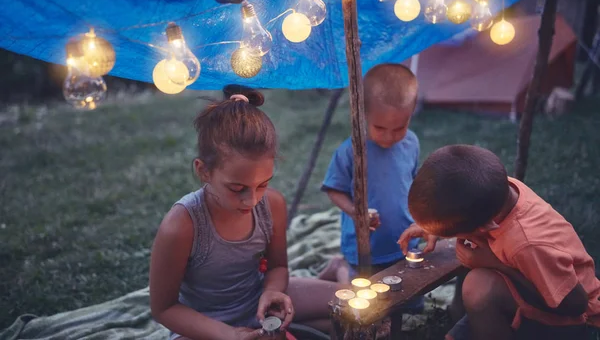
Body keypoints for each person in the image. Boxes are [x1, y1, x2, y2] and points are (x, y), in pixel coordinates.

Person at [149, 85, 342, 340]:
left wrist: (273, 291)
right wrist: (229, 335)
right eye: (237, 188)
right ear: (204, 171)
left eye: (263, 184)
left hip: (258, 301)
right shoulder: (183, 225)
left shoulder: (272, 205)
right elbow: (164, 308)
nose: (251, 200)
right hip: (205, 325)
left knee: (348, 304)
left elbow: (278, 267)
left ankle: (334, 271)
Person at [398, 144, 600, 340]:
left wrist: (494, 263)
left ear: (485, 227)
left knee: (478, 287)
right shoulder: (497, 192)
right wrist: (434, 228)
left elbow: (575, 304)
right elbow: (468, 208)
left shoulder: (526, 244)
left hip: (569, 321)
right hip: (534, 285)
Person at [320, 64, 436, 304]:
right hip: (365, 246)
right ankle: (340, 269)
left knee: (405, 298)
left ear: (412, 113)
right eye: (380, 128)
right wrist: (356, 212)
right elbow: (333, 188)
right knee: (364, 300)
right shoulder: (352, 151)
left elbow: (411, 183)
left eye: (399, 128)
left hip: (403, 239)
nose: (389, 136)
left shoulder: (411, 143)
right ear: (363, 114)